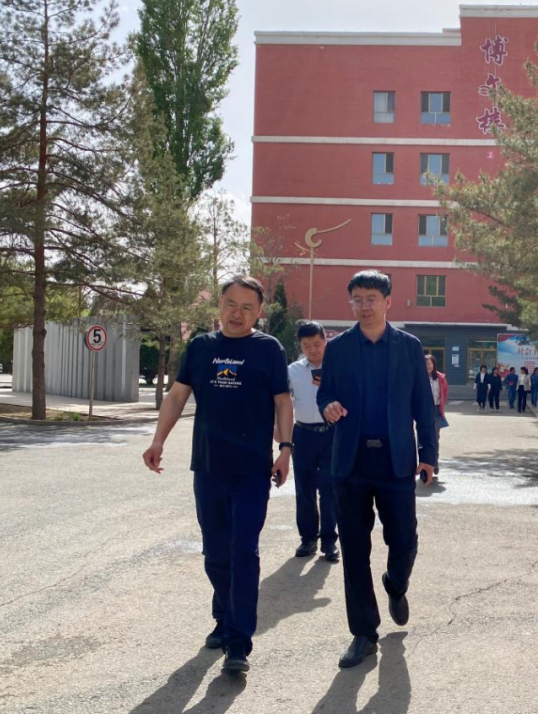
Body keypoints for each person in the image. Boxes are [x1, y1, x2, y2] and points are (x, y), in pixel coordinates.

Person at [142, 275, 292, 676]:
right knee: (215, 554)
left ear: (258, 312)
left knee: (244, 550)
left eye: (246, 307)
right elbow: (177, 395)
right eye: (230, 304)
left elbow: (282, 400)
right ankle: (225, 615)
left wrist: (285, 449)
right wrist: (158, 440)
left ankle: (238, 641)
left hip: (252, 471)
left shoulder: (268, 349)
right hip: (208, 467)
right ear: (220, 305)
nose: (237, 314)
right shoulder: (201, 347)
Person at [317, 270, 437, 669]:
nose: (364, 306)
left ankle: (396, 583)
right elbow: (325, 392)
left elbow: (423, 405)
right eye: (358, 299)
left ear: (387, 301)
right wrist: (327, 406)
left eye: (371, 298)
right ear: (350, 302)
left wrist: (429, 454)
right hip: (350, 462)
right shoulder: (338, 348)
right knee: (354, 548)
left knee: (404, 539)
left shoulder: (408, 347)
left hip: (395, 460)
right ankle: (363, 633)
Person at [286, 321, 339, 562]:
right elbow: (283, 402)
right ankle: (308, 539)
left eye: (317, 344)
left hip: (331, 434)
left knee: (329, 489)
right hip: (303, 434)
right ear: (300, 345)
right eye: (307, 345)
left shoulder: (337, 368)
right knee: (304, 489)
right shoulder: (293, 371)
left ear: (325, 341)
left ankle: (329, 541)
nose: (313, 350)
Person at [425, 354, 448, 476]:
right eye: (425, 364)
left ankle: (434, 461)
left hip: (436, 410)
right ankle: (424, 464)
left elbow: (444, 392)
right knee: (423, 438)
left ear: (433, 364)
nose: (427, 366)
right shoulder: (419, 377)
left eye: (429, 364)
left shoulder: (440, 378)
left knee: (434, 438)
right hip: (423, 410)